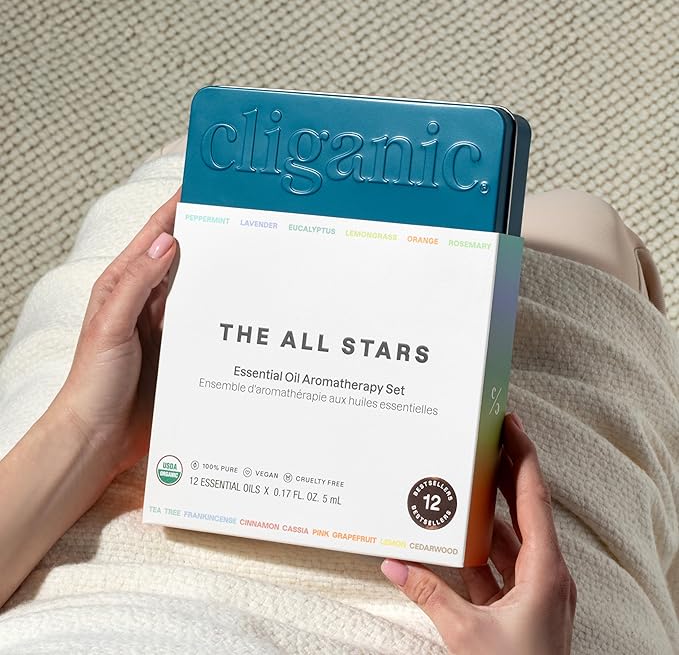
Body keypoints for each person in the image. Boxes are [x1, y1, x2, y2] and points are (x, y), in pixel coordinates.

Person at [0, 164, 672, 652]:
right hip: (408, 599)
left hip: (85, 549)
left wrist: (85, 428)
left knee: (173, 182)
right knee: (579, 228)